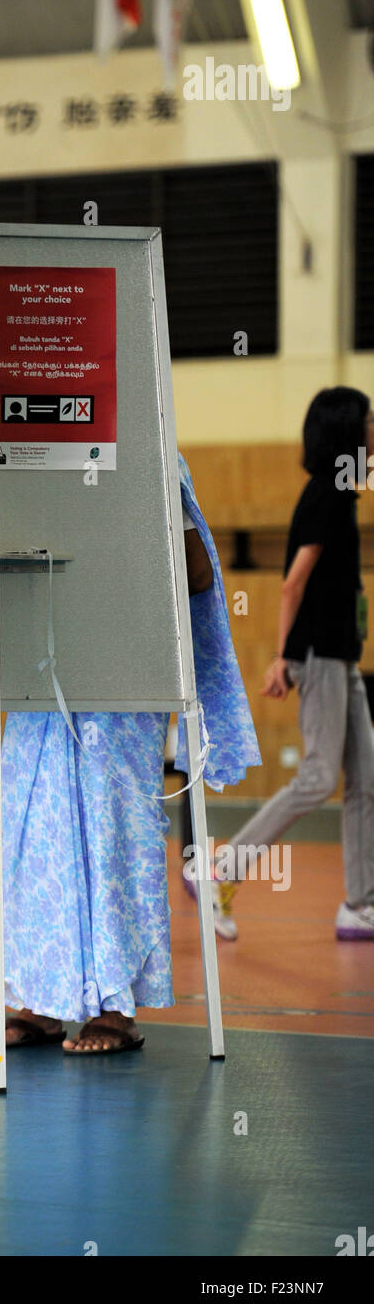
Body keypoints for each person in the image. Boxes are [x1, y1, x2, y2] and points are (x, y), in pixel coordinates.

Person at [0, 453, 259, 1054]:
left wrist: (121, 547)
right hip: (39, 673)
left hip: (124, 676)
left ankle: (114, 1008)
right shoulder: (26, 454)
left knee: (111, 833)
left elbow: (200, 575)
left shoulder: (154, 453)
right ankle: (37, 999)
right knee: (33, 835)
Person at [217, 387, 374, 942]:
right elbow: (291, 584)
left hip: (342, 659)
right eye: (369, 422)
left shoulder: (342, 493)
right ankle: (222, 869)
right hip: (319, 658)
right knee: (316, 779)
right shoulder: (327, 495)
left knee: (365, 782)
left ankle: (360, 904)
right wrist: (282, 656)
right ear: (348, 433)